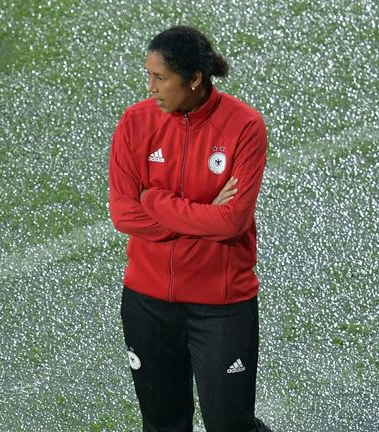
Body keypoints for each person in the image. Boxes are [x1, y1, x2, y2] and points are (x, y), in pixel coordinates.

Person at [108, 26, 274, 432]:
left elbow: (232, 220)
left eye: (160, 78)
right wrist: (204, 215)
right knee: (162, 425)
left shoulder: (244, 127)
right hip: (147, 303)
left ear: (194, 79)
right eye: (148, 76)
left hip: (221, 305)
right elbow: (123, 214)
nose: (150, 88)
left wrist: (154, 200)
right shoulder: (134, 123)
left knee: (231, 426)